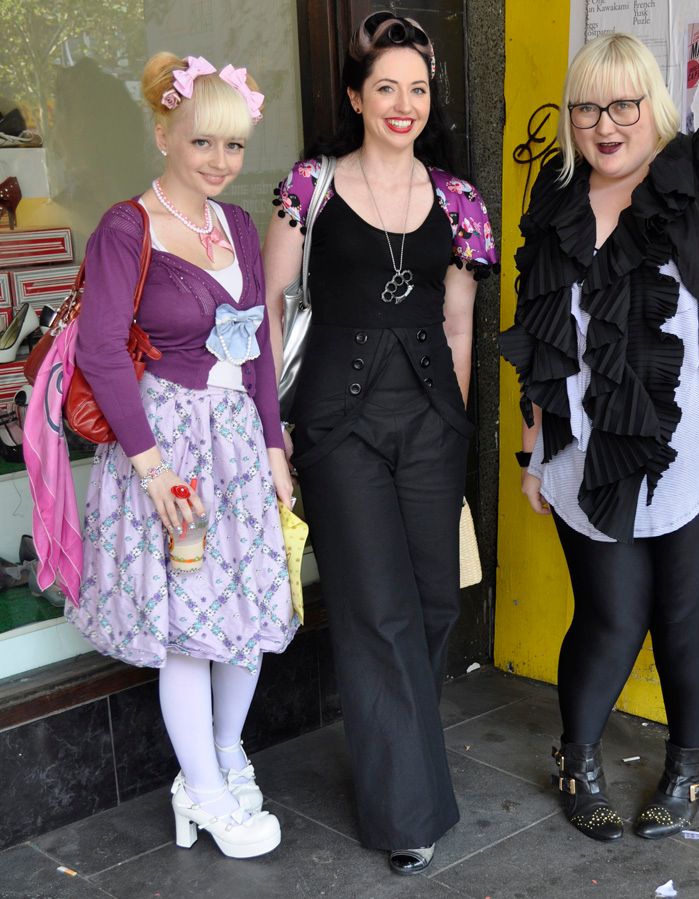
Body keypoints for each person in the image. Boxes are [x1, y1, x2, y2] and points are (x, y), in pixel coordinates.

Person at [501, 33, 699, 842]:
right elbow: (539, 331)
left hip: (696, 444)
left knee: (686, 614)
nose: (604, 126)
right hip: (586, 447)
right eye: (586, 109)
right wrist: (536, 447)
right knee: (609, 616)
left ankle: (686, 766)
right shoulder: (558, 188)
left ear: (655, 102)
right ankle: (578, 762)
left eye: (623, 105)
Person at [263, 11, 497, 875]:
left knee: (434, 602)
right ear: (357, 97)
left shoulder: (460, 200)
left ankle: (403, 758)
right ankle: (408, 811)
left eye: (419, 89)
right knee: (376, 610)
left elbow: (460, 324)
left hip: (431, 420)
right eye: (387, 87)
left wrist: (456, 418)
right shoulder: (310, 187)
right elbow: (269, 312)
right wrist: (273, 434)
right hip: (337, 425)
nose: (404, 104)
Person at [66, 52, 298, 858]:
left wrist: (274, 443)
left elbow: (257, 348)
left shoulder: (237, 226)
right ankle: (201, 789)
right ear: (163, 134)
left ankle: (226, 755)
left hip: (236, 443)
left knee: (249, 609)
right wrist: (153, 467)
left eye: (233, 146)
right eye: (203, 142)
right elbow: (100, 352)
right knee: (187, 626)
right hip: (165, 449)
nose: (220, 161)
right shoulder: (125, 227)